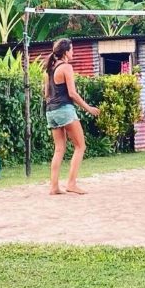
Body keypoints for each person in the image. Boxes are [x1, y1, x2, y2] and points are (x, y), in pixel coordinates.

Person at [43, 38, 100, 195]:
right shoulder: (66, 67)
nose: (73, 52)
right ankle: (71, 184)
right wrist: (89, 108)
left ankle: (54, 187)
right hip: (64, 110)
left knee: (59, 149)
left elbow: (46, 94)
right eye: (72, 50)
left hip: (51, 111)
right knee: (80, 146)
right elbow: (72, 93)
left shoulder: (49, 69)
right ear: (66, 52)